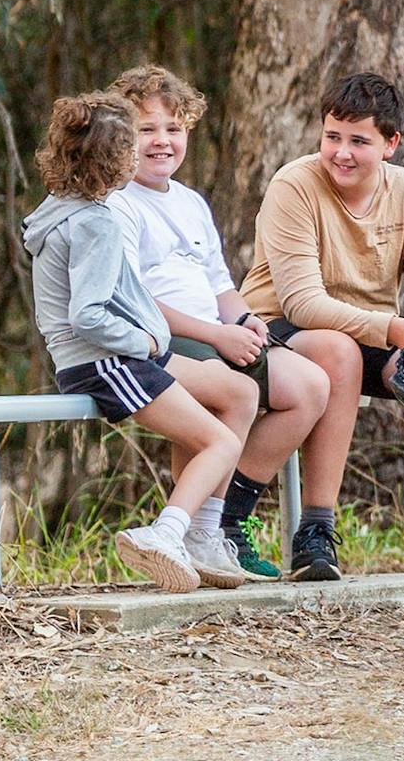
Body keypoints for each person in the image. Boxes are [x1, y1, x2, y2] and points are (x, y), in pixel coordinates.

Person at [239, 72, 404, 581]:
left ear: (390, 144)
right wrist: (398, 330)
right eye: (332, 137)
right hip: (282, 329)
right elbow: (303, 302)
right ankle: (316, 533)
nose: (341, 153)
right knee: (338, 352)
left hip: (371, 334)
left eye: (358, 141)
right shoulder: (294, 184)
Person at [108, 63, 331, 581]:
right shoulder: (118, 203)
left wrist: (246, 320)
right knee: (230, 391)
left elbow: (219, 286)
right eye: (147, 129)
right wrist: (216, 335)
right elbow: (131, 298)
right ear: (122, 135)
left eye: (174, 128)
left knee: (311, 386)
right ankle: (194, 528)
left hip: (218, 334)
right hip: (167, 338)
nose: (162, 141)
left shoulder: (191, 202)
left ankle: (220, 523)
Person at [22, 91, 247, 591]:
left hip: (106, 357)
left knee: (232, 402)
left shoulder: (60, 207)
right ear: (115, 160)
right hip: (107, 361)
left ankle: (194, 537)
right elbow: (87, 316)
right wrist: (144, 341)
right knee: (221, 441)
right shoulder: (96, 222)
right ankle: (166, 534)